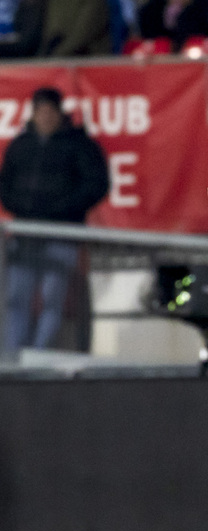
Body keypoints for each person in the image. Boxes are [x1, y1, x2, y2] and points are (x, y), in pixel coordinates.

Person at [0, 87, 109, 351]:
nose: (45, 117)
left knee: (53, 298)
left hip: (62, 233)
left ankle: (39, 353)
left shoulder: (79, 145)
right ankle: (16, 352)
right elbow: (5, 184)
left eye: (50, 111)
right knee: (17, 296)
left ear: (60, 114)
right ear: (33, 114)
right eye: (40, 112)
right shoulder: (21, 145)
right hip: (25, 234)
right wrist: (22, 209)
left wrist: (62, 209)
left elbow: (95, 185)